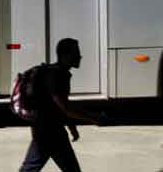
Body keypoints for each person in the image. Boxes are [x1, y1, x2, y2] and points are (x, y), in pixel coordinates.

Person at [19, 38, 102, 172]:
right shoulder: (57, 75)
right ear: (65, 55)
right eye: (76, 52)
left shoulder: (57, 72)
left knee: (31, 167)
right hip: (50, 131)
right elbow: (64, 106)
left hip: (45, 128)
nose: (80, 56)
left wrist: (71, 126)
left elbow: (59, 106)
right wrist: (92, 117)